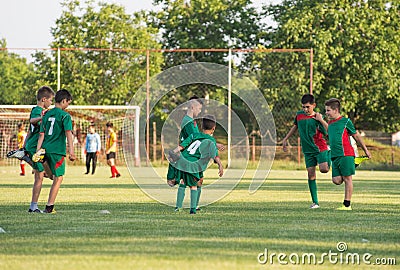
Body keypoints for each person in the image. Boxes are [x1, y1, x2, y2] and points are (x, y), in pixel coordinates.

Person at [321, 98, 371, 210]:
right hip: (335, 156)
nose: (326, 113)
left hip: (346, 154)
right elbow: (330, 134)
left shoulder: (346, 121)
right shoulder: (330, 123)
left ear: (336, 110)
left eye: (328, 110)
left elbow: (356, 136)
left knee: (348, 178)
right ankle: (353, 165)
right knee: (336, 180)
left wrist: (365, 150)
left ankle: (347, 205)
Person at [282, 94, 330, 209]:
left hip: (320, 148)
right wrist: (285, 139)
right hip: (308, 150)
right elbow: (295, 126)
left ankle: (330, 153)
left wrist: (321, 120)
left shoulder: (317, 117)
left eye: (308, 107)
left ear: (314, 105)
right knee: (311, 174)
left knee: (324, 169)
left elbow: (329, 131)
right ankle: (315, 202)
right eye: (303, 107)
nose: (305, 109)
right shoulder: (299, 115)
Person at [168, 115, 224, 214]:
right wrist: (220, 165)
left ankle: (178, 207)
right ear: (214, 128)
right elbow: (215, 156)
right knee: (193, 185)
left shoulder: (194, 135)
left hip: (182, 160)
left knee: (183, 183)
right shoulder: (211, 141)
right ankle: (193, 209)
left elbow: (182, 145)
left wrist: (173, 152)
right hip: (192, 164)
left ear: (201, 126)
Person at [35, 89, 76, 214]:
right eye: (68, 102)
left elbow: (41, 134)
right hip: (57, 151)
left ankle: (44, 161)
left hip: (45, 149)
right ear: (64, 101)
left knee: (52, 177)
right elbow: (68, 133)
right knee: (58, 178)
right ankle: (49, 207)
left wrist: (38, 151)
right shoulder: (65, 115)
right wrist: (72, 151)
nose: (68, 105)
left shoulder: (46, 114)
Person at [23, 86, 55, 213]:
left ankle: (25, 157)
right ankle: (33, 207)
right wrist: (43, 117)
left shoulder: (40, 111)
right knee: (39, 177)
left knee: (46, 174)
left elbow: (30, 131)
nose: (51, 103)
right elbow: (32, 120)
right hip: (34, 148)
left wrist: (24, 145)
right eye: (50, 100)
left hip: (33, 147)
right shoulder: (38, 110)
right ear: (44, 99)